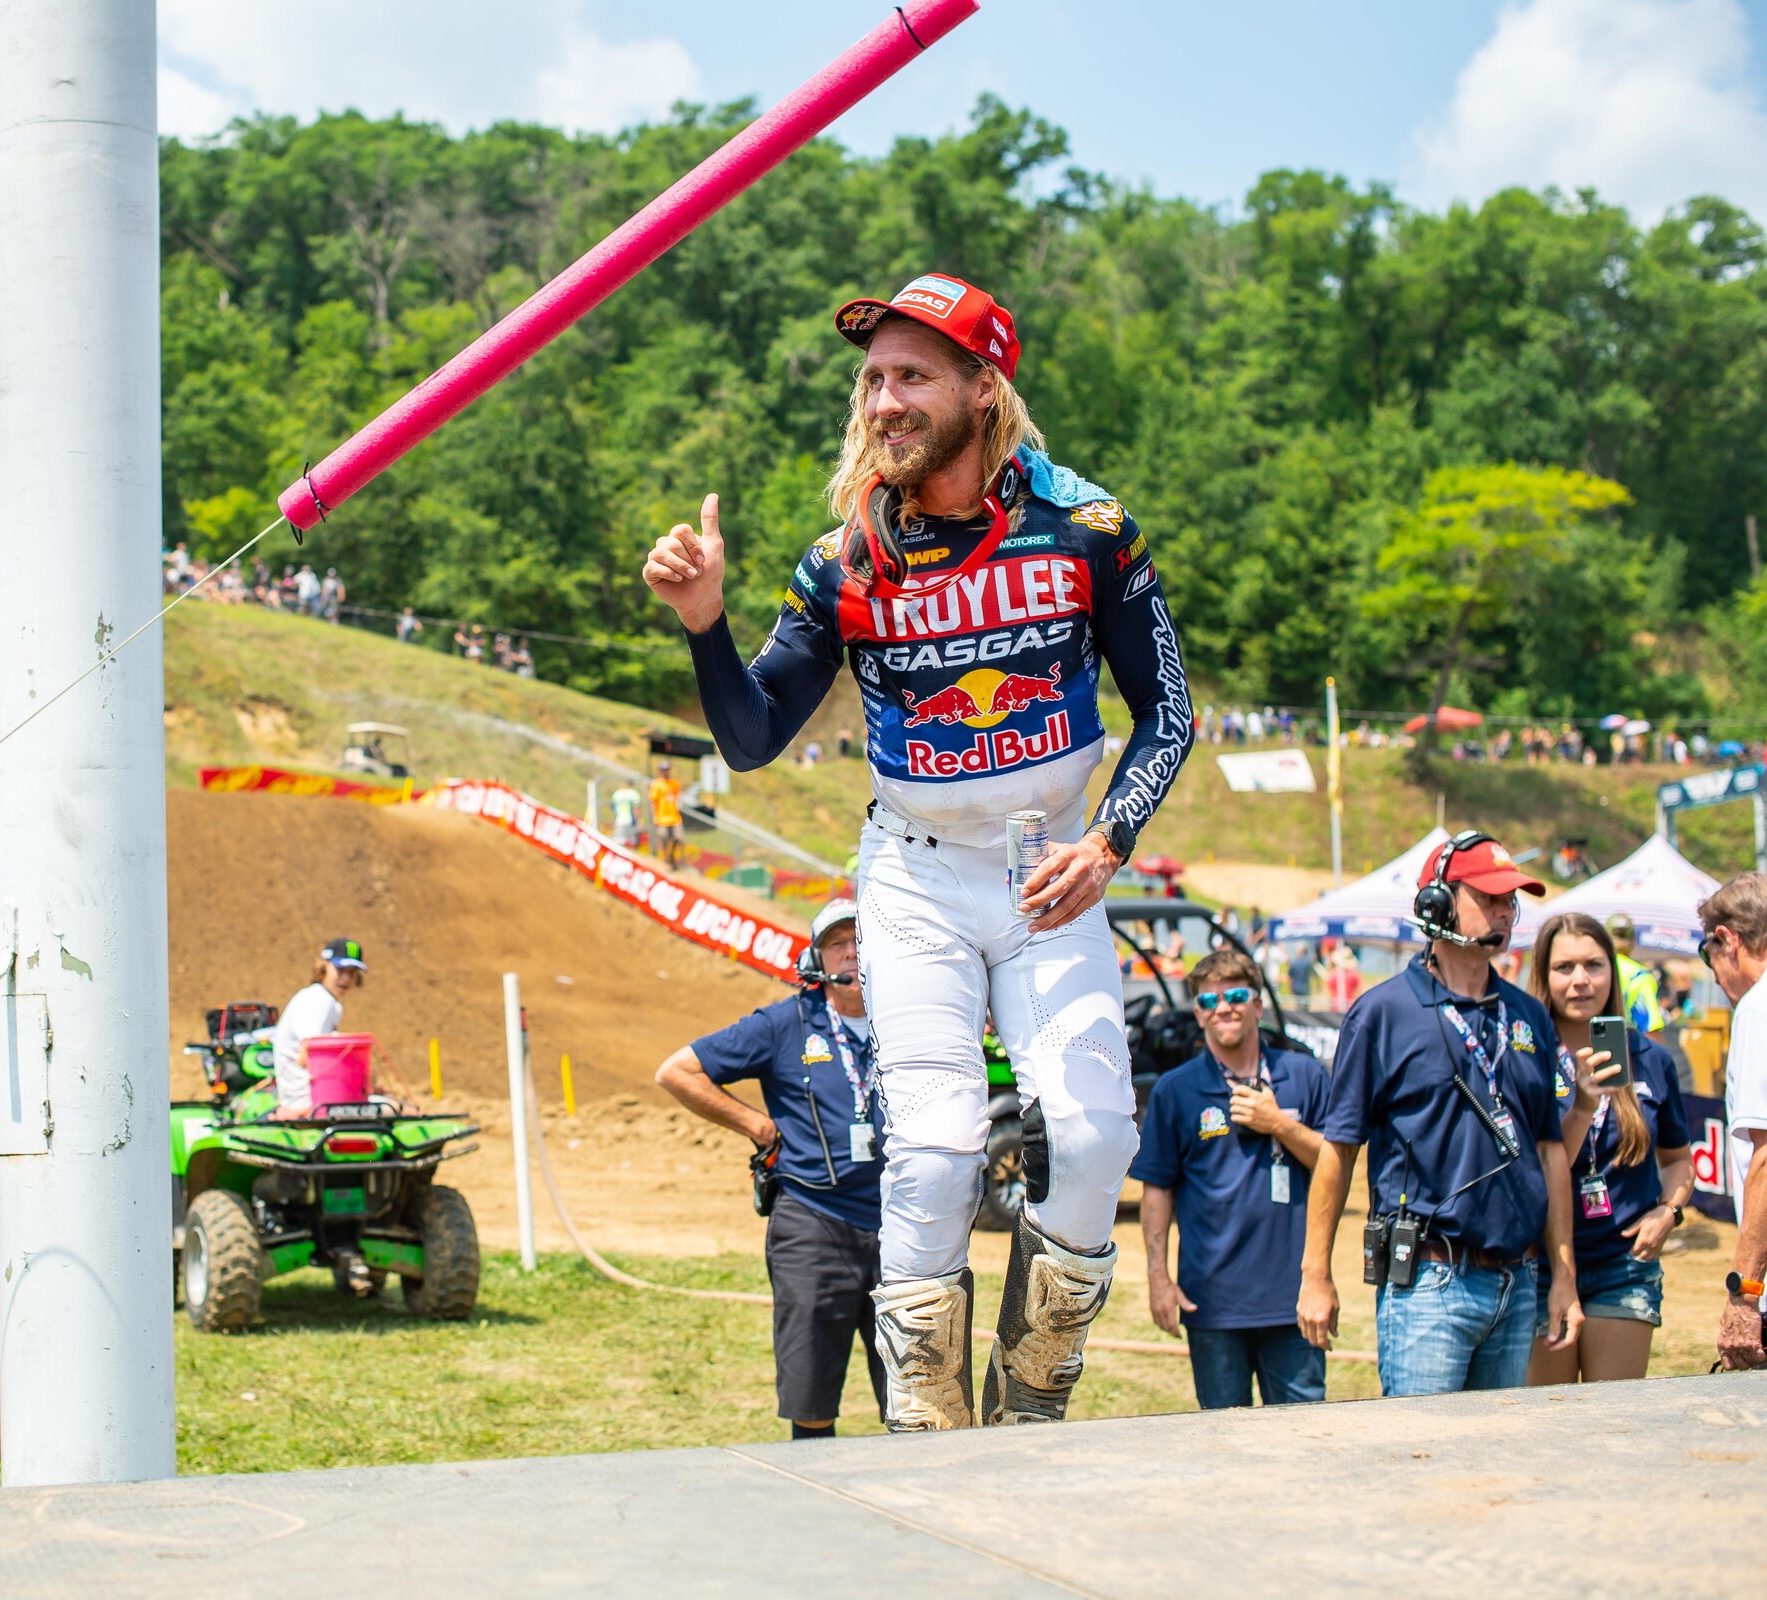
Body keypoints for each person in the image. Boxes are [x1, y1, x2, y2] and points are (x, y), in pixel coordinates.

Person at [642, 271, 1193, 1428]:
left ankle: (1034, 1380)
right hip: (914, 873)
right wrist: (707, 627)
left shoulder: (1090, 529)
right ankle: (925, 1420)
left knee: (1095, 1136)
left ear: (983, 391)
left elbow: (1170, 713)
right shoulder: (844, 558)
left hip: (1051, 869)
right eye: (873, 377)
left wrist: (1110, 839)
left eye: (910, 376)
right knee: (937, 1150)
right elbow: (749, 738)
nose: (883, 400)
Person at [1300, 831, 1581, 1395]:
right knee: (1420, 1462)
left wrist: (1564, 1280)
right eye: (1490, 897)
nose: (1506, 911)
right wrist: (1315, 1275)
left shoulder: (1529, 1015)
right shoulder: (1381, 1013)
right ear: (1438, 904)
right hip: (1428, 1283)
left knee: (1494, 1465)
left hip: (1518, 1281)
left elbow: (1551, 1153)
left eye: (1511, 900)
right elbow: (1339, 1150)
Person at [655, 901, 887, 1437]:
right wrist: (757, 1128)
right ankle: (817, 1506)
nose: (851, 951)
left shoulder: (907, 1018)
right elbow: (677, 1071)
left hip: (903, 1229)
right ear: (816, 957)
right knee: (810, 1395)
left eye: (861, 939)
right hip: (814, 1224)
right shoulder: (786, 1023)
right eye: (837, 942)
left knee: (917, 1394)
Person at [1131, 949, 1333, 1409]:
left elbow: (1335, 1165)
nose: (1224, 1006)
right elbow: (1157, 1190)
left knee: (1305, 1441)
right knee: (1225, 1443)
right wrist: (1158, 1278)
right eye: (1209, 1000)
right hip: (1213, 1304)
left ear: (1258, 1005)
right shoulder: (1176, 1089)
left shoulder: (1302, 1074)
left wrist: (1280, 1124)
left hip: (1295, 1298)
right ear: (1199, 1014)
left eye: (1237, 995)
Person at [1522, 912, 1692, 1384]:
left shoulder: (1650, 1058)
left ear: (1612, 972)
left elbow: (1679, 1161)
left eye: (1594, 965)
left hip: (1625, 1267)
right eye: (1564, 968)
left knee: (1615, 1420)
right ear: (1543, 974)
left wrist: (1669, 1212)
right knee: (1549, 1426)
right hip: (1540, 1268)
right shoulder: (1524, 1059)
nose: (1580, 981)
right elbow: (1534, 1171)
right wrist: (1581, 1106)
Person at [1704, 873, 1767, 1368]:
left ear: (1728, 940)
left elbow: (1766, 1160)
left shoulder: (1757, 1006)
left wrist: (1744, 1293)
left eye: (1709, 958)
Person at [269, 939, 367, 1119]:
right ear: (324, 967)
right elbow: (311, 1057)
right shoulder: (318, 1001)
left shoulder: (329, 1003)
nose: (346, 979)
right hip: (309, 1101)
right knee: (402, 1110)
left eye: (352, 973)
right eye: (340, 970)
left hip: (314, 1097)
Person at [1603, 913, 1663, 1034]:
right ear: (1633, 940)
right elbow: (1649, 1028)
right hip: (1627, 1048)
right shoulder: (1639, 975)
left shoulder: (1592, 970)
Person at [647, 761, 686, 871]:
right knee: (663, 837)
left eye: (667, 769)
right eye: (663, 769)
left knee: (679, 838)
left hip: (675, 817)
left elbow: (676, 799)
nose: (665, 772)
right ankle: (667, 859)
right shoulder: (656, 784)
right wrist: (655, 816)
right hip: (662, 818)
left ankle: (670, 856)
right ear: (660, 771)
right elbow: (653, 801)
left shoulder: (675, 783)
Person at [608, 781, 643, 850]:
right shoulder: (633, 794)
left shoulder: (617, 793)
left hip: (619, 820)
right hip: (631, 821)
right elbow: (636, 809)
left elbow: (612, 807)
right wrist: (639, 820)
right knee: (632, 842)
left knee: (619, 842)